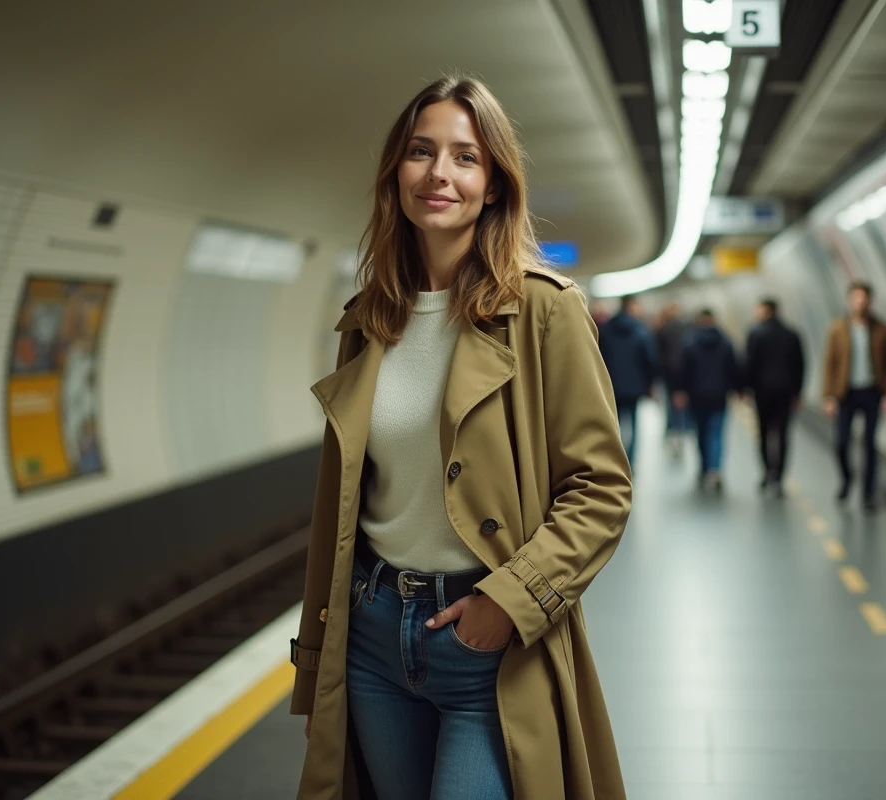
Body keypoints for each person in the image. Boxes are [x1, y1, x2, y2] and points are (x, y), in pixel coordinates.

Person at [289, 75, 633, 800]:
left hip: (488, 644)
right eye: (421, 151)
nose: (439, 173)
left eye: (465, 157)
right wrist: (320, 664)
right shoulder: (369, 320)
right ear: (396, 173)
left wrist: (509, 601)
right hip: (375, 635)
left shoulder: (542, 311)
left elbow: (602, 488)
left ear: (494, 185)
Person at [822, 280, 886, 512]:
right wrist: (828, 396)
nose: (860, 303)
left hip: (872, 391)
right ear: (850, 300)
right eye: (856, 298)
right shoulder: (838, 329)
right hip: (846, 393)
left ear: (870, 301)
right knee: (841, 442)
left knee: (870, 444)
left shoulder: (882, 329)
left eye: (864, 299)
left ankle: (868, 493)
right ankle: (847, 478)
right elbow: (829, 363)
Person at [744, 298, 806, 495]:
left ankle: (767, 472)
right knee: (782, 434)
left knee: (763, 433)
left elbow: (749, 364)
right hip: (785, 393)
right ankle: (779, 476)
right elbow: (800, 365)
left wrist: (747, 389)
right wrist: (797, 392)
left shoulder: (756, 333)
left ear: (766, 311)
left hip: (762, 392)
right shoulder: (792, 334)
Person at [674, 309, 741, 491]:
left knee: (701, 433)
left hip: (696, 396)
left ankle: (704, 468)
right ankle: (715, 469)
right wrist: (738, 389)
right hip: (719, 395)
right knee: (716, 432)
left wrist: (680, 391)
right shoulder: (726, 342)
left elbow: (683, 369)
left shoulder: (690, 342)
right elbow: (733, 367)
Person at [598, 295, 658, 468]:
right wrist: (649, 383)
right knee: (632, 423)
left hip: (611, 385)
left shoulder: (607, 328)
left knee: (613, 424)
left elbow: (600, 356)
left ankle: (614, 461)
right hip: (635, 385)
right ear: (631, 306)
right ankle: (629, 463)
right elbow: (649, 359)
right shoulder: (640, 329)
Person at [655, 302, 690, 458]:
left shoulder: (662, 330)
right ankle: (680, 430)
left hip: (668, 372)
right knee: (681, 402)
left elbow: (657, 353)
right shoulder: (685, 329)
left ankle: (671, 430)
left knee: (670, 401)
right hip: (682, 371)